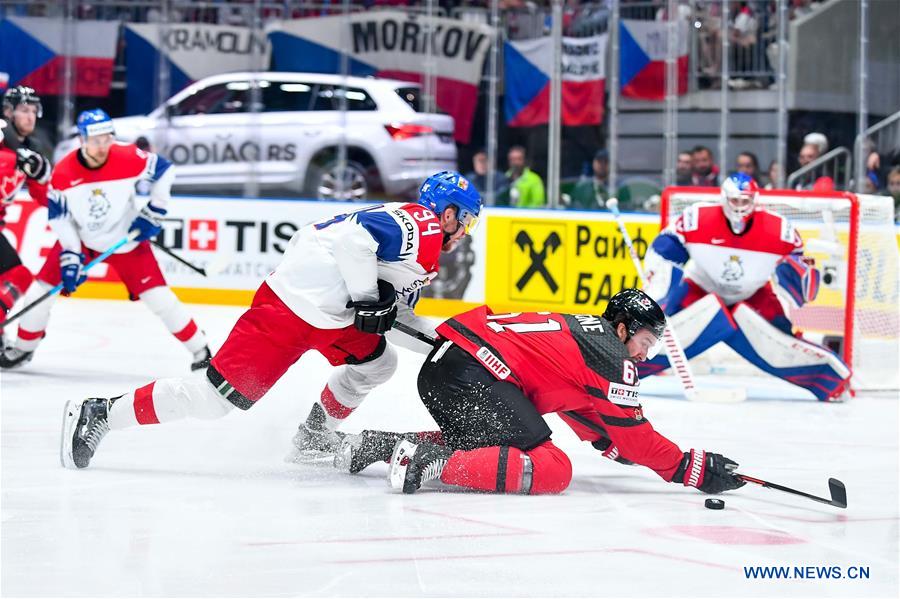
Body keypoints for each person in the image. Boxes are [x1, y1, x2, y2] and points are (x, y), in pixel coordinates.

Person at [60, 171, 483, 470]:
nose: (464, 231)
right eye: (464, 220)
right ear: (446, 213)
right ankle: (101, 413)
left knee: (378, 362)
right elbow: (356, 243)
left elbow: (395, 315)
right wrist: (367, 298)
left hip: (331, 318)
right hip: (289, 311)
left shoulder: (416, 244)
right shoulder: (422, 224)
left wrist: (442, 344)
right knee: (213, 401)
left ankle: (316, 435)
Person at [332, 289, 746, 497]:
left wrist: (621, 448)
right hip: (473, 373)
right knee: (552, 467)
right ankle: (430, 462)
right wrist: (692, 468)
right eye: (643, 340)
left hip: (448, 370)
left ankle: (378, 445)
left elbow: (592, 420)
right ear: (621, 327)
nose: (644, 351)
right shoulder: (611, 356)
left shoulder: (587, 336)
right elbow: (634, 438)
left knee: (495, 441)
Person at [0, 109, 211, 370]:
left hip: (127, 240)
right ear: (82, 140)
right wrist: (71, 253)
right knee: (38, 293)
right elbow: (59, 217)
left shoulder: (128, 155)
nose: (103, 146)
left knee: (159, 298)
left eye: (107, 138)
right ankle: (22, 349)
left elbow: (165, 171)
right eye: (96, 140)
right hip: (81, 240)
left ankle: (201, 349)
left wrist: (155, 209)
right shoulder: (64, 173)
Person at [642, 173, 851, 402]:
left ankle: (830, 380)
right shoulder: (696, 217)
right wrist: (659, 274)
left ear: (755, 200)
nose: (740, 207)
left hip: (754, 294)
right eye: (735, 200)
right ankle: (622, 368)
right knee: (657, 328)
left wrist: (799, 278)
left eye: (745, 200)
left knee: (782, 337)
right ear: (724, 198)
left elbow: (799, 264)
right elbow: (666, 246)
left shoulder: (780, 229)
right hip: (700, 289)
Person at [0, 87, 52, 320]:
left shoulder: (31, 152)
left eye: (34, 110)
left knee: (18, 276)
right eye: (24, 110)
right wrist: (14, 159)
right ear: (8, 112)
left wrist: (42, 176)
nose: (30, 116)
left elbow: (43, 196)